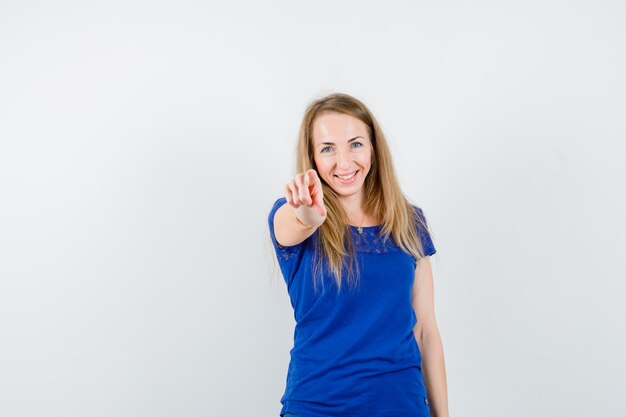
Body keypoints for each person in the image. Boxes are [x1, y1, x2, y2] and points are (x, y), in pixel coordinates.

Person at [268, 93, 449, 417]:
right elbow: (297, 223)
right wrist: (310, 214)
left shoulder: (409, 221)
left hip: (402, 406)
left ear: (374, 148)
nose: (344, 162)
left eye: (355, 144)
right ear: (311, 157)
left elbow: (425, 331)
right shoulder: (289, 213)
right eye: (327, 149)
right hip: (317, 407)